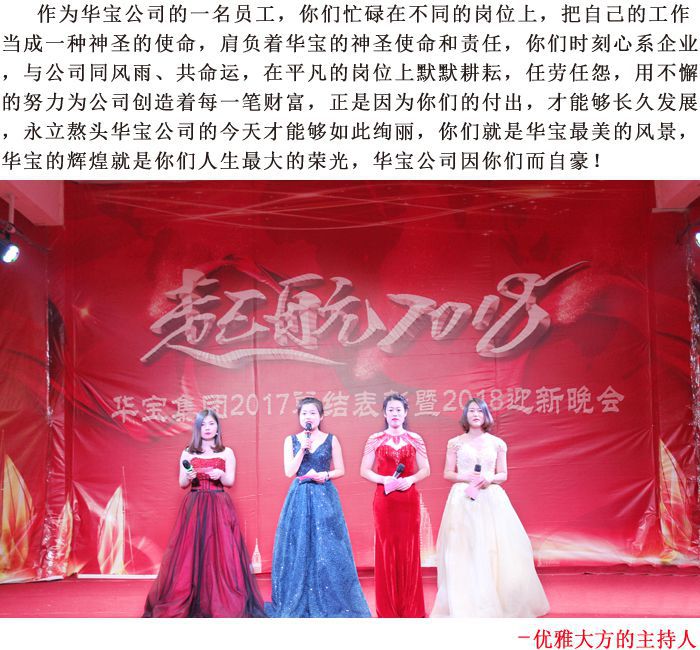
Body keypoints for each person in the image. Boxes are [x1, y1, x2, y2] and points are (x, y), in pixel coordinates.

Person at [431, 398, 549, 618]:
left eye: (480, 411)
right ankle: (466, 601)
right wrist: (465, 476)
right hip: (463, 498)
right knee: (464, 547)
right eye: (471, 411)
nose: (475, 414)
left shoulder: (497, 443)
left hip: (491, 497)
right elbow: (448, 473)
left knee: (494, 547)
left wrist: (490, 478)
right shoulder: (454, 443)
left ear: (486, 415)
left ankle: (496, 599)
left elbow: (503, 474)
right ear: (465, 415)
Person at [143, 409, 265, 618]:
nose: (207, 428)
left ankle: (220, 599)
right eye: (202, 425)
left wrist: (221, 474)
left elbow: (230, 482)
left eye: (211, 424)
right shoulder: (188, 452)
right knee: (192, 552)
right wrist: (189, 476)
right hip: (195, 505)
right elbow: (182, 483)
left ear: (217, 427)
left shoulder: (226, 452)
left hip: (219, 504)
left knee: (221, 553)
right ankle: (190, 596)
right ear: (197, 429)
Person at [265, 397, 370, 618]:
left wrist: (326, 475)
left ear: (321, 416)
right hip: (300, 496)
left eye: (313, 413)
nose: (308, 417)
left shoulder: (331, 439)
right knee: (299, 545)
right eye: (304, 413)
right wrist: (302, 450)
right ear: (299, 417)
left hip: (324, 495)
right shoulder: (291, 440)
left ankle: (331, 598)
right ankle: (298, 597)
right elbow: (289, 471)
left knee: (328, 546)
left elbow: (340, 469)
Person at [360, 393, 430, 617]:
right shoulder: (375, 439)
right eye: (390, 410)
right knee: (386, 550)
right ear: (384, 413)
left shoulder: (415, 439)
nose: (395, 414)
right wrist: (384, 479)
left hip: (408, 500)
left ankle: (411, 608)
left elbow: (425, 469)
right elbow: (364, 470)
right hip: (385, 500)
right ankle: (388, 609)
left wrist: (410, 479)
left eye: (399, 410)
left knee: (409, 549)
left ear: (406, 413)